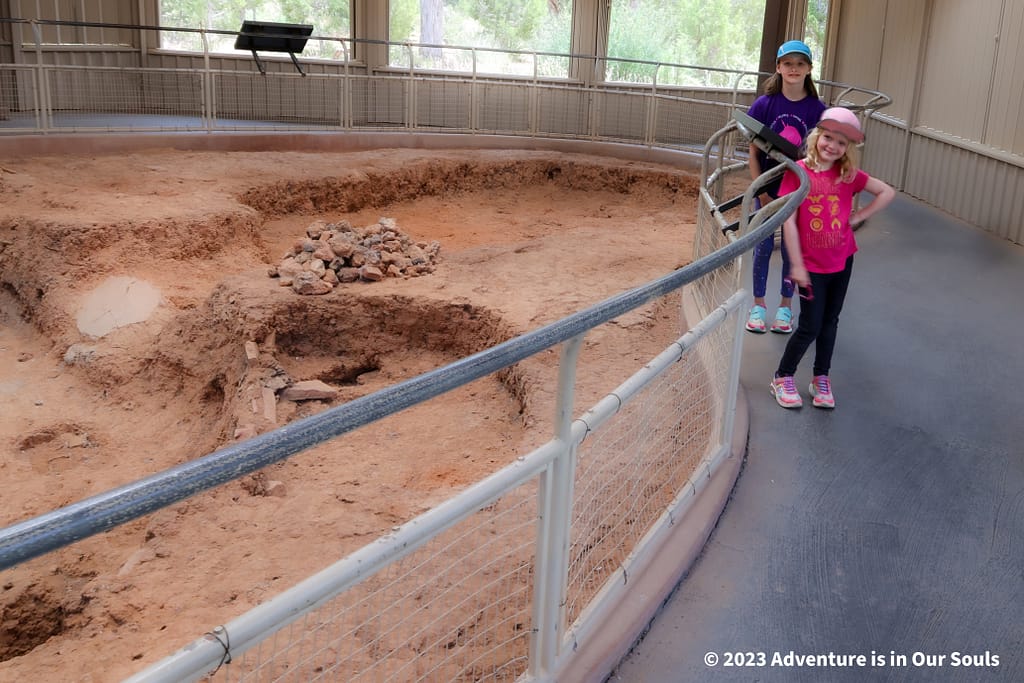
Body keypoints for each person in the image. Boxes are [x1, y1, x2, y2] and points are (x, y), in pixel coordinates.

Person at [769, 106, 896, 409]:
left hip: (842, 258)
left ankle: (820, 377)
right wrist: (796, 263)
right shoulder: (798, 172)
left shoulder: (847, 174)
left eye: (841, 143)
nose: (833, 146)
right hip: (810, 265)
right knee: (810, 325)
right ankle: (782, 376)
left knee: (830, 322)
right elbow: (788, 220)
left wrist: (858, 216)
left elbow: (886, 192)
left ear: (847, 149)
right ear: (817, 137)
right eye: (828, 138)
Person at [745, 39, 827, 334]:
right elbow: (754, 151)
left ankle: (784, 307)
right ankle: (758, 306)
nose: (794, 69)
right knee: (764, 246)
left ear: (809, 69)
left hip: (800, 190)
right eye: (788, 64)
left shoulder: (817, 109)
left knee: (793, 249)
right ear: (778, 67)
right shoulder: (764, 105)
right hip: (768, 188)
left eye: (800, 64)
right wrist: (760, 191)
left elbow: (822, 155)